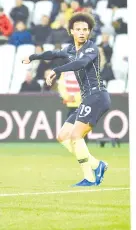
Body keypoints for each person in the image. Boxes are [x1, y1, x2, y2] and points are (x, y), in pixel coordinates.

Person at [22, 12, 110, 187]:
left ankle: (89, 178)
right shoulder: (70, 49)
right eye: (78, 29)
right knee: (63, 136)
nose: (82, 32)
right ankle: (96, 165)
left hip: (97, 96)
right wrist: (33, 57)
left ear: (89, 32)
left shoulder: (91, 48)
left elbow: (81, 63)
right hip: (87, 99)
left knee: (76, 136)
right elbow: (53, 53)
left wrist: (57, 70)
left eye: (85, 29)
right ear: (71, 31)